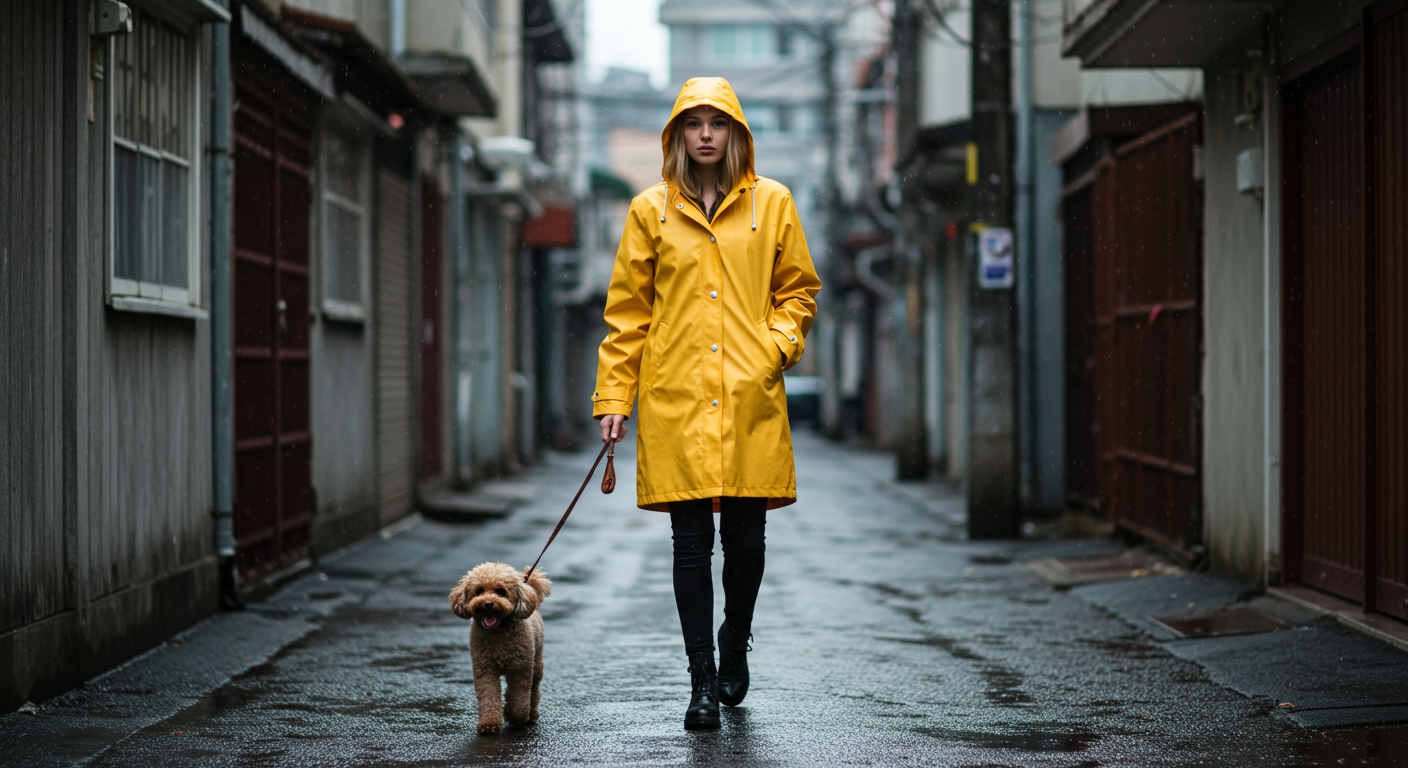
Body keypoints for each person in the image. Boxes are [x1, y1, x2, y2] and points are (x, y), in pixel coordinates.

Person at [591, 77, 821, 731]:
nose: (706, 134)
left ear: (736, 133)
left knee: (746, 543)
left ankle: (734, 639)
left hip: (750, 400)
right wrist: (615, 396)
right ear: (677, 136)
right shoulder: (649, 211)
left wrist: (771, 351)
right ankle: (699, 682)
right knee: (690, 546)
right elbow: (628, 314)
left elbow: (798, 292)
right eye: (693, 123)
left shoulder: (773, 204)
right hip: (676, 401)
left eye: (717, 123)